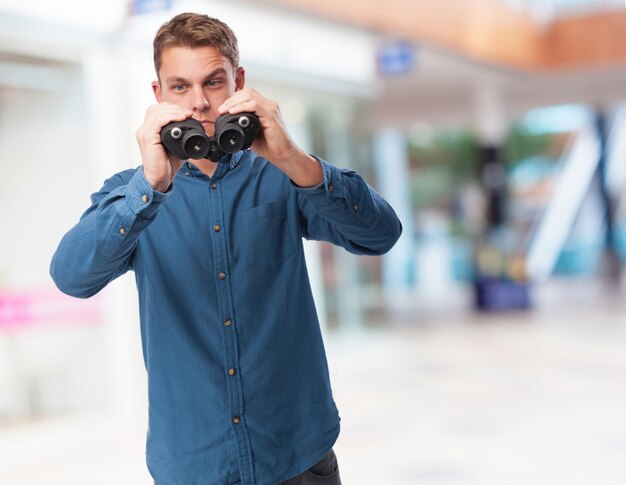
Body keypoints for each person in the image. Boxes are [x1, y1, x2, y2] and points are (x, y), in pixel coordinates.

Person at [50, 12, 402, 485]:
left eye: (213, 82)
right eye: (179, 87)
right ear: (158, 95)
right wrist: (149, 185)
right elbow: (71, 277)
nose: (198, 103)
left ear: (238, 83)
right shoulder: (131, 195)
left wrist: (293, 158)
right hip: (194, 462)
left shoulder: (283, 175)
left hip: (295, 452)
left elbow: (380, 234)